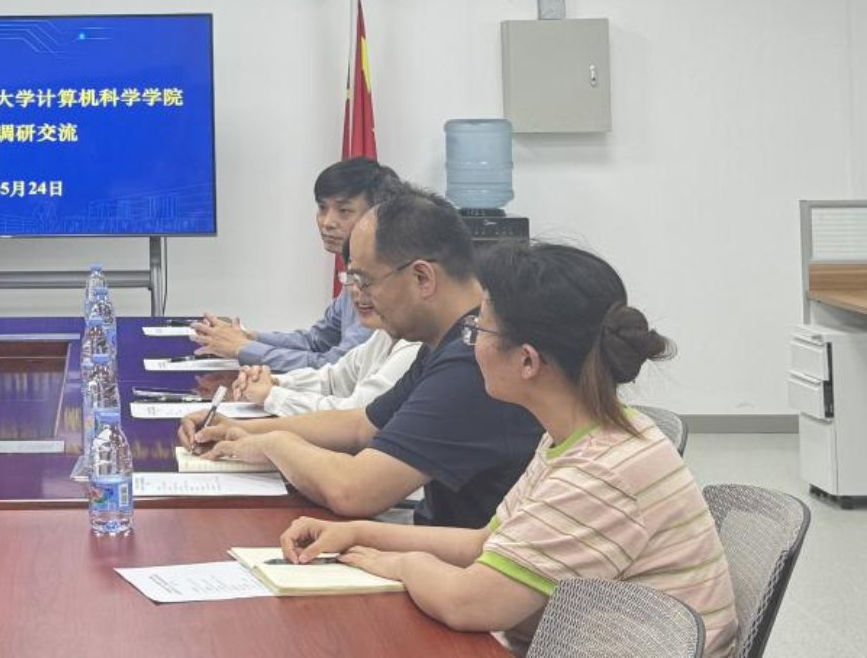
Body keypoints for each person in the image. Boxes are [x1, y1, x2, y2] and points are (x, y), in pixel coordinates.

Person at [277, 243, 738, 658]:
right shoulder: (576, 435)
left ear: (527, 360)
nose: (472, 342)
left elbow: (469, 602)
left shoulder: (599, 474)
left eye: (480, 328)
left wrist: (403, 564)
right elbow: (482, 544)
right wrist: (358, 534)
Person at [186, 186, 541, 527]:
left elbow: (354, 490)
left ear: (422, 277)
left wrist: (274, 444)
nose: (361, 297)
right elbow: (361, 426)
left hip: (462, 559)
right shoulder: (447, 339)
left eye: (366, 282)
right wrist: (237, 429)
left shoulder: (473, 359)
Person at [191, 158, 398, 371]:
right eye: (322, 208)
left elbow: (335, 367)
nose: (327, 222)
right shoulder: (353, 276)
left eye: (344, 211)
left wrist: (244, 348)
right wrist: (248, 337)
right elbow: (317, 341)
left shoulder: (383, 283)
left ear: (378, 215)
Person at [221, 268, 418, 417]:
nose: (356, 290)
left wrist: (272, 395)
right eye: (352, 278)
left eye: (367, 280)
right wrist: (277, 382)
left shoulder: (415, 346)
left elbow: (356, 417)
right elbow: (334, 379)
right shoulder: (385, 333)